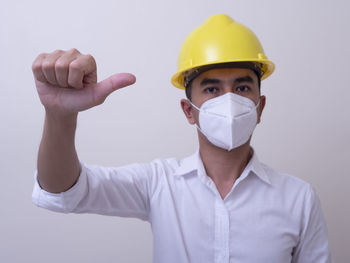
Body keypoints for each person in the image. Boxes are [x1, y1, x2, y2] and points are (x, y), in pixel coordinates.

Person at [31, 14, 333, 263]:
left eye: (242, 88)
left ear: (260, 106)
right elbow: (64, 191)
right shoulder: (158, 183)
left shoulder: (299, 199)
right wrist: (60, 116)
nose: (228, 101)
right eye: (212, 89)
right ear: (189, 111)